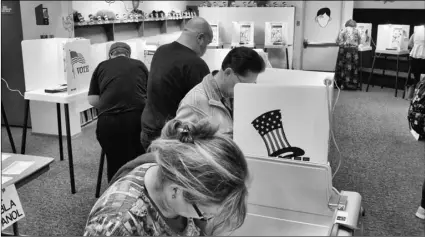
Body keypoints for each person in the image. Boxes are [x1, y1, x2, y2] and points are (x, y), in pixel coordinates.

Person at [84, 119, 249, 236]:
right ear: (176, 190)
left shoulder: (171, 174)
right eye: (205, 214)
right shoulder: (115, 226)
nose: (205, 220)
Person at [141, 17, 213, 151]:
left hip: (148, 127)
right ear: (200, 38)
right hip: (172, 134)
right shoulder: (195, 64)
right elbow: (203, 107)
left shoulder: (161, 51)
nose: (205, 49)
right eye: (206, 44)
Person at [88, 42, 149, 182]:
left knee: (114, 161)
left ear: (110, 55)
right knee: (137, 159)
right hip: (136, 119)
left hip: (108, 123)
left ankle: (115, 189)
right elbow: (151, 94)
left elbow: (92, 100)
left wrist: (108, 103)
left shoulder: (101, 66)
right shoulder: (139, 64)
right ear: (129, 54)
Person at [175, 47, 266, 135]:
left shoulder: (232, 96)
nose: (245, 89)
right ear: (228, 73)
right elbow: (179, 143)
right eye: (243, 84)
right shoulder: (193, 104)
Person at [334, 19, 361, 90]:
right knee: (352, 66)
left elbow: (337, 41)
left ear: (346, 24)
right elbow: (360, 41)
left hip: (343, 50)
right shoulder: (357, 31)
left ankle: (340, 83)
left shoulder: (342, 30)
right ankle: (352, 84)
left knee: (342, 66)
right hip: (353, 51)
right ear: (355, 25)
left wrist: (343, 43)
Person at [406, 24, 425, 100]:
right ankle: (421, 97)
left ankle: (412, 96)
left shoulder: (416, 33)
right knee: (423, 79)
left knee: (416, 78)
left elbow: (410, 44)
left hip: (414, 58)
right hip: (423, 58)